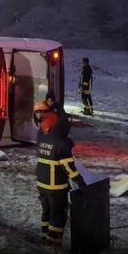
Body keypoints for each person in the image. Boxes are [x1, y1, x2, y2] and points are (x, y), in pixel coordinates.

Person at [34, 102, 86, 245]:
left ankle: (44, 236)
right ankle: (53, 242)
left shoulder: (43, 139)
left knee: (46, 212)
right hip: (55, 187)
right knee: (57, 214)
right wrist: (80, 182)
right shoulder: (62, 144)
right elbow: (68, 168)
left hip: (41, 184)